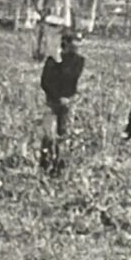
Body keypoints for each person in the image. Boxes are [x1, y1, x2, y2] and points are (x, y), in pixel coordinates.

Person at [39, 30, 85, 175]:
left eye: (79, 42)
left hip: (68, 102)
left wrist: (59, 61)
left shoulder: (78, 61)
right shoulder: (52, 60)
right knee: (49, 135)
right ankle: (45, 164)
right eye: (75, 42)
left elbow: (71, 76)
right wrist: (57, 96)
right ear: (66, 43)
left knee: (64, 134)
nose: (77, 45)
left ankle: (60, 166)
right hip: (52, 101)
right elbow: (45, 82)